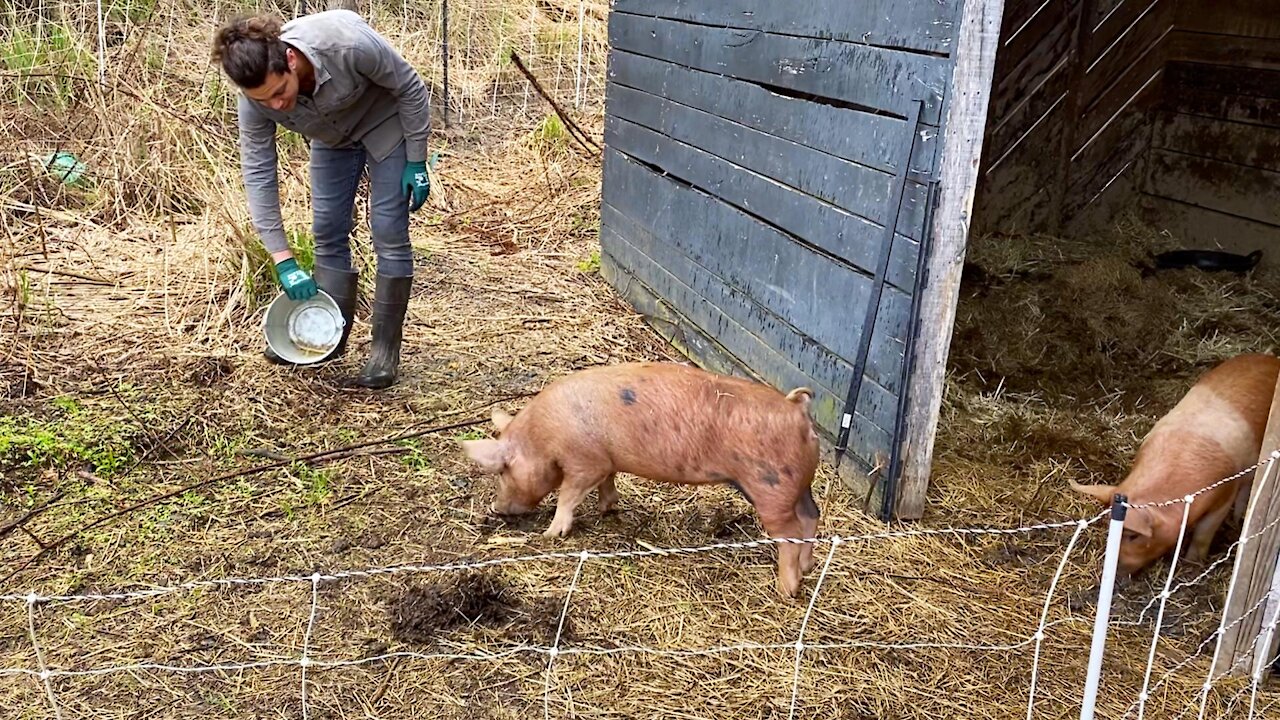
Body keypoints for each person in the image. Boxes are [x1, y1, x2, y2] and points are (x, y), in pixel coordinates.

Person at [211, 9, 431, 389]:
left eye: (280, 92)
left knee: (388, 230)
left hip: (386, 125)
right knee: (327, 230)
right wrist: (282, 260)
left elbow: (410, 86)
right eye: (265, 100)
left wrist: (417, 160)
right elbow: (259, 173)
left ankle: (384, 350)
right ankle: (329, 334)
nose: (277, 105)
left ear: (290, 61)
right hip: (332, 141)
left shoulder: (346, 44)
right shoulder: (255, 101)